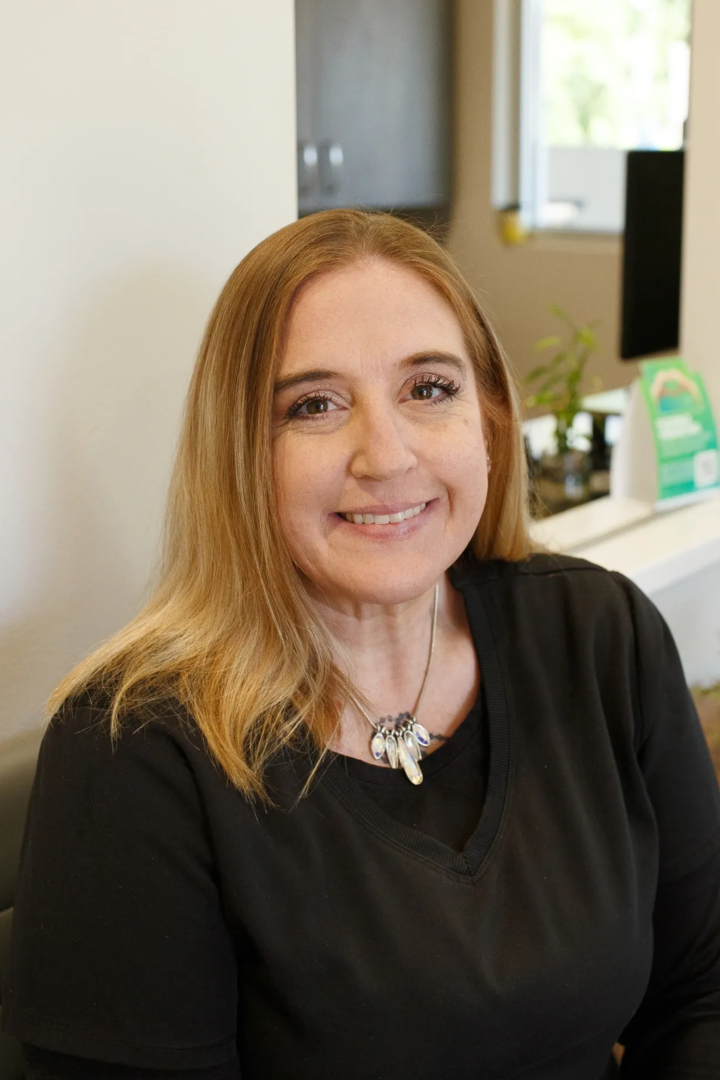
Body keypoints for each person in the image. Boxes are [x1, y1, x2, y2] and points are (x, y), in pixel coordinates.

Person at [2, 209, 720, 1080]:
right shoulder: (132, 750)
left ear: (489, 417)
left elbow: (699, 992)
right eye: (315, 405)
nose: (385, 456)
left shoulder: (601, 635)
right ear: (240, 453)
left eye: (428, 389)